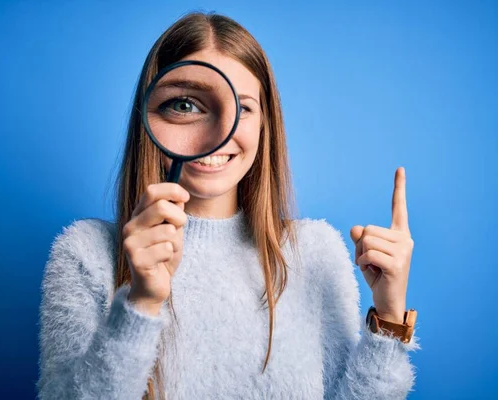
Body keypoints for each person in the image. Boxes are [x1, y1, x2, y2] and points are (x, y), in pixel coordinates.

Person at [37, 12, 419, 400]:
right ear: (148, 117)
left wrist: (389, 321)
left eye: (242, 106)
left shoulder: (316, 252)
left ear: (264, 124)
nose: (219, 134)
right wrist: (139, 304)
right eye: (185, 105)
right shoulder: (85, 254)